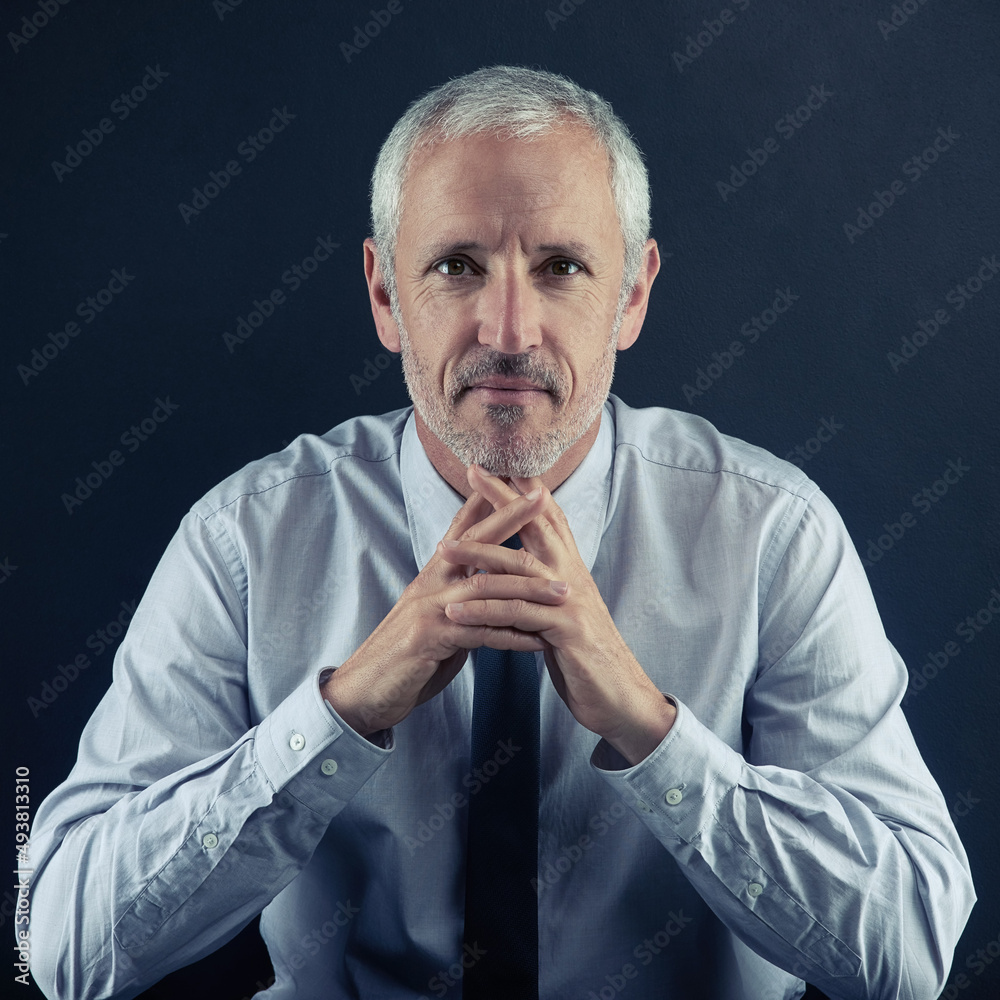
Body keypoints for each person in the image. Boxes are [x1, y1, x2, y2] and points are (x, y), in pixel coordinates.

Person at [27, 65, 974, 1000]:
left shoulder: (775, 536)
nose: (507, 327)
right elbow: (62, 949)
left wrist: (652, 732)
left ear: (632, 296)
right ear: (386, 295)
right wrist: (340, 713)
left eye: (561, 267)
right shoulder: (245, 542)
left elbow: (909, 954)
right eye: (455, 266)